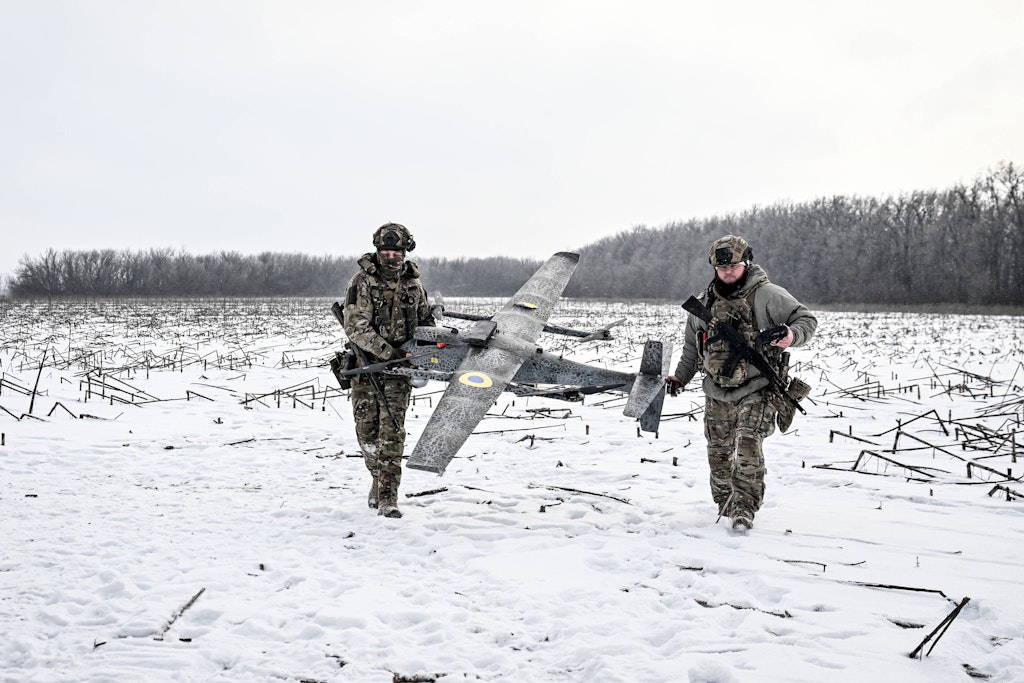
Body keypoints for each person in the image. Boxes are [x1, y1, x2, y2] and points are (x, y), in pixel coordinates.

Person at [667, 235, 817, 530]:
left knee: (748, 443)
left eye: (734, 266)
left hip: (757, 387)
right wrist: (680, 377)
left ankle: (744, 508)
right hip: (716, 389)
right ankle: (725, 503)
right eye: (722, 268)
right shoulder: (704, 303)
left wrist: (790, 335)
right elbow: (692, 348)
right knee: (719, 453)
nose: (728, 272)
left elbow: (806, 320)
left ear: (746, 262)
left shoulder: (767, 295)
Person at [342, 223, 434, 518]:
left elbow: (425, 323)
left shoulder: (414, 286)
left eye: (397, 251)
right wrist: (389, 352)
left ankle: (388, 497)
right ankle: (377, 478)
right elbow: (356, 327)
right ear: (377, 251)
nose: (391, 257)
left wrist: (423, 349)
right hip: (367, 369)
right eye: (386, 251)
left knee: (392, 434)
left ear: (405, 252)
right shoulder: (362, 282)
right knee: (367, 435)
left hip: (399, 374)